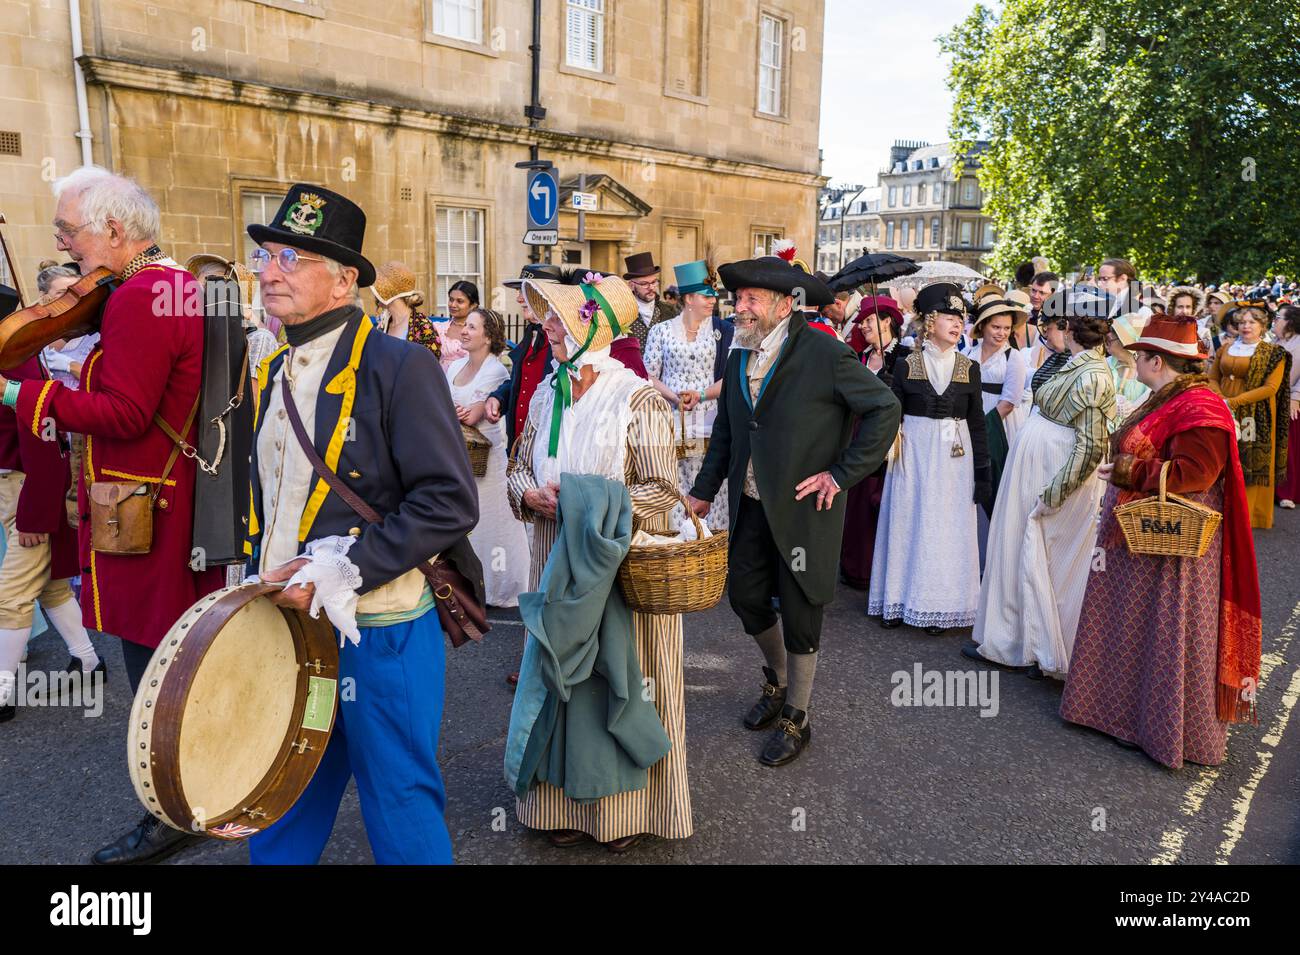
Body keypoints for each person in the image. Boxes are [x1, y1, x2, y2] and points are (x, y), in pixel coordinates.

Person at [242, 183, 480, 865]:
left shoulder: (398, 366)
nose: (268, 271)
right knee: (281, 797)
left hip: (381, 634)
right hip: (289, 626)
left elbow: (447, 499)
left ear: (344, 279)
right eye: (266, 256)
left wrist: (340, 569)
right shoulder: (272, 368)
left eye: (291, 258)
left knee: (400, 804)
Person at [0, 166, 224, 862]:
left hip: (142, 511)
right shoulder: (163, 287)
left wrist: (20, 398)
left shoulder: (140, 296)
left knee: (155, 678)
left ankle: (173, 809)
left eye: (71, 231)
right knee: (177, 665)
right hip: (167, 502)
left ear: (115, 231)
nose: (64, 246)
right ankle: (201, 790)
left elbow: (124, 412)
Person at [687, 255, 899, 767]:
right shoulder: (739, 354)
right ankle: (779, 680)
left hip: (806, 504)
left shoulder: (824, 352)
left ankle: (797, 715)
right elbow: (728, 430)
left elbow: (884, 408)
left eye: (751, 299)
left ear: (784, 305)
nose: (740, 307)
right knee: (745, 595)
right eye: (738, 299)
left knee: (802, 607)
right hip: (752, 503)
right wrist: (703, 488)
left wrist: (841, 473)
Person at [506, 272, 686, 853]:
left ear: (599, 327)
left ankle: (624, 814)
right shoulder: (542, 392)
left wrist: (589, 506)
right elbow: (516, 471)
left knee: (619, 678)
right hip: (551, 557)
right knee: (559, 680)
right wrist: (529, 494)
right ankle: (554, 801)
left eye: (562, 318)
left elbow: (663, 489)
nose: (549, 327)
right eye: (549, 318)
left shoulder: (637, 398)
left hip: (615, 566)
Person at [1060, 316, 1261, 768]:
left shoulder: (1200, 407)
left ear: (1156, 360)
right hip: (1143, 531)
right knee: (1135, 625)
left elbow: (1198, 475)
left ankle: (1164, 729)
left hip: (1173, 540)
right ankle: (1122, 717)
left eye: (1139, 355)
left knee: (1164, 629)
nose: (1133, 360)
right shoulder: (1168, 396)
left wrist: (1133, 472)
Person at [968, 299, 1117, 678]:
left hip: (1055, 472)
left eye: (1055, 327)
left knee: (1051, 557)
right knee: (1024, 549)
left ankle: (1047, 648)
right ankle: (1018, 640)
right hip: (1040, 465)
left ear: (1068, 329)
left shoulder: (1093, 374)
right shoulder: (1076, 365)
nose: (1048, 334)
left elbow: (1092, 444)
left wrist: (1056, 490)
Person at [868, 283, 989, 636]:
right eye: (949, 317)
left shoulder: (970, 368)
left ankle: (939, 606)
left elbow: (977, 422)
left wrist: (983, 473)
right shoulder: (906, 366)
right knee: (908, 521)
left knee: (944, 529)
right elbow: (891, 416)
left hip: (954, 459)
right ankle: (896, 600)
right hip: (915, 456)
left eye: (960, 318)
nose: (957, 324)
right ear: (931, 321)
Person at [643, 259, 733, 531]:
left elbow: (731, 378)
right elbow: (648, 375)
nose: (713, 301)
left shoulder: (724, 331)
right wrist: (673, 397)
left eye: (714, 295)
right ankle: (677, 551)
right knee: (676, 490)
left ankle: (713, 553)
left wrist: (702, 394)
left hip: (711, 423)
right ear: (689, 298)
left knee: (712, 489)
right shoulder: (661, 331)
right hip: (672, 424)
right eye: (706, 296)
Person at [449, 307, 528, 607]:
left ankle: (502, 586)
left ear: (488, 336)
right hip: (458, 454)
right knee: (466, 520)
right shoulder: (453, 368)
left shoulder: (496, 370)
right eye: (464, 326)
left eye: (472, 326)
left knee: (494, 520)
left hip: (485, 457)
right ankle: (471, 583)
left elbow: (479, 412)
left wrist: (469, 412)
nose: (464, 331)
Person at [840, 295, 909, 590]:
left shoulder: (905, 357)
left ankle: (878, 571)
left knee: (878, 500)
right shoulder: (860, 357)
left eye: (869, 320)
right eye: (861, 321)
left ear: (886, 321)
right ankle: (854, 568)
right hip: (858, 433)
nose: (863, 326)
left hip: (889, 438)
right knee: (856, 499)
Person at [1208, 302, 1291, 528]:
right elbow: (1212, 376)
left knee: (1249, 462)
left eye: (1252, 322)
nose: (1246, 326)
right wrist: (1219, 398)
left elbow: (1270, 388)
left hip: (1255, 413)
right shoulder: (1225, 348)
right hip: (1222, 407)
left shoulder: (1274, 354)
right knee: (1222, 459)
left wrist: (1233, 402)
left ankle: (1250, 515)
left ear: (1262, 325)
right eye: (1242, 322)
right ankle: (1219, 509)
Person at [371, 260, 442, 360]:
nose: (375, 295)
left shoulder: (422, 325)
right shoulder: (383, 323)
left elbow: (430, 365)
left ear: (390, 292)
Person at [1272, 305, 1300, 509]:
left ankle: (1287, 492)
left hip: (1291, 403)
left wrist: (1296, 397)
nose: (1275, 320)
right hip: (1271, 400)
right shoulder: (1273, 341)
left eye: (1278, 317)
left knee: (1289, 450)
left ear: (1290, 321)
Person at [623, 252, 676, 349]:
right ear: (631, 285)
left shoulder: (671, 311)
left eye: (654, 282)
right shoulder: (622, 313)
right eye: (644, 284)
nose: (651, 287)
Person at [1106, 313, 1151, 424]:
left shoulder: (1148, 373)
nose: (1108, 336)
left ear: (1126, 344)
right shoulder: (1105, 364)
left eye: (1115, 333)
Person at [432, 279, 475, 369]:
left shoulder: (480, 332)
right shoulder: (437, 328)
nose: (453, 305)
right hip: (440, 380)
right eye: (451, 300)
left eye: (460, 301)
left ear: (472, 305)